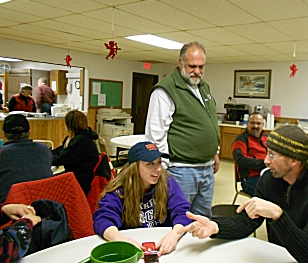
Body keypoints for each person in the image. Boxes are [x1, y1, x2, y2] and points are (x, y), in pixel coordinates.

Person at [179, 125, 308, 263]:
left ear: (294, 160)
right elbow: (247, 222)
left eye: (272, 155)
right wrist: (216, 227)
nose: (265, 160)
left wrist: (278, 215)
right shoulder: (269, 180)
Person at [145, 41, 220, 218]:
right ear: (180, 63)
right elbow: (155, 134)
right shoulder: (165, 90)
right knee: (179, 219)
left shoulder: (203, 87)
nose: (197, 71)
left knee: (202, 221)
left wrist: (214, 151)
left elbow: (208, 121)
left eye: (201, 66)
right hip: (181, 170)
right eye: (192, 66)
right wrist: (161, 168)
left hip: (207, 168)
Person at [93, 141, 192, 256]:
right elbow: (103, 219)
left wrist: (174, 235)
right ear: (134, 167)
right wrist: (123, 240)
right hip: (132, 249)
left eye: (159, 163)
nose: (158, 169)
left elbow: (182, 212)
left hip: (164, 247)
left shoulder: (167, 182)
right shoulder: (119, 190)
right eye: (150, 164)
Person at [0, 114, 53, 202]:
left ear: (4, 134)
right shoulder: (44, 150)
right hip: (44, 206)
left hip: (9, 209)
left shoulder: (2, 153)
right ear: (29, 132)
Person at [52, 110, 99, 196]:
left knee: (48, 183)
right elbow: (61, 150)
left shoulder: (80, 141)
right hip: (78, 176)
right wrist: (46, 152)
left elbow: (61, 159)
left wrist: (45, 157)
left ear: (68, 125)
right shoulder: (79, 138)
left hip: (81, 181)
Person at [231, 112, 267, 196]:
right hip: (250, 178)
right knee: (269, 194)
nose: (255, 126)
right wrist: (265, 163)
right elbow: (241, 160)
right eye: (252, 123)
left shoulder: (267, 138)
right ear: (247, 124)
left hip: (268, 174)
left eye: (258, 123)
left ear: (263, 125)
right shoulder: (241, 140)